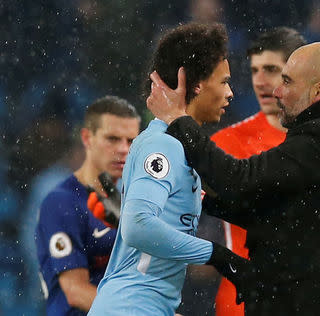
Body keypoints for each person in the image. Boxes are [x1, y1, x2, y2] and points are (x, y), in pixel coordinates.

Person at [148, 41, 320, 315]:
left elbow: (238, 181)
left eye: (286, 81)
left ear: (319, 91)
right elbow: (272, 210)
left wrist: (178, 119)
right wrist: (199, 201)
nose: (277, 91)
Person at [88, 23, 249, 316]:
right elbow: (138, 227)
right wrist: (217, 255)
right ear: (194, 83)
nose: (230, 93)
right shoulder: (164, 145)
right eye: (223, 81)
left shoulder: (178, 148)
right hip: (131, 306)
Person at [210, 27, 306, 316]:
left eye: (272, 70)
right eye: (254, 70)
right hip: (244, 299)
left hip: (309, 299)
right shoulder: (227, 143)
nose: (260, 81)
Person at [35, 95, 141, 315]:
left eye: (130, 140)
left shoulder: (134, 197)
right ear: (87, 138)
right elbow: (76, 291)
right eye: (112, 139)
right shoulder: (61, 202)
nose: (123, 149)